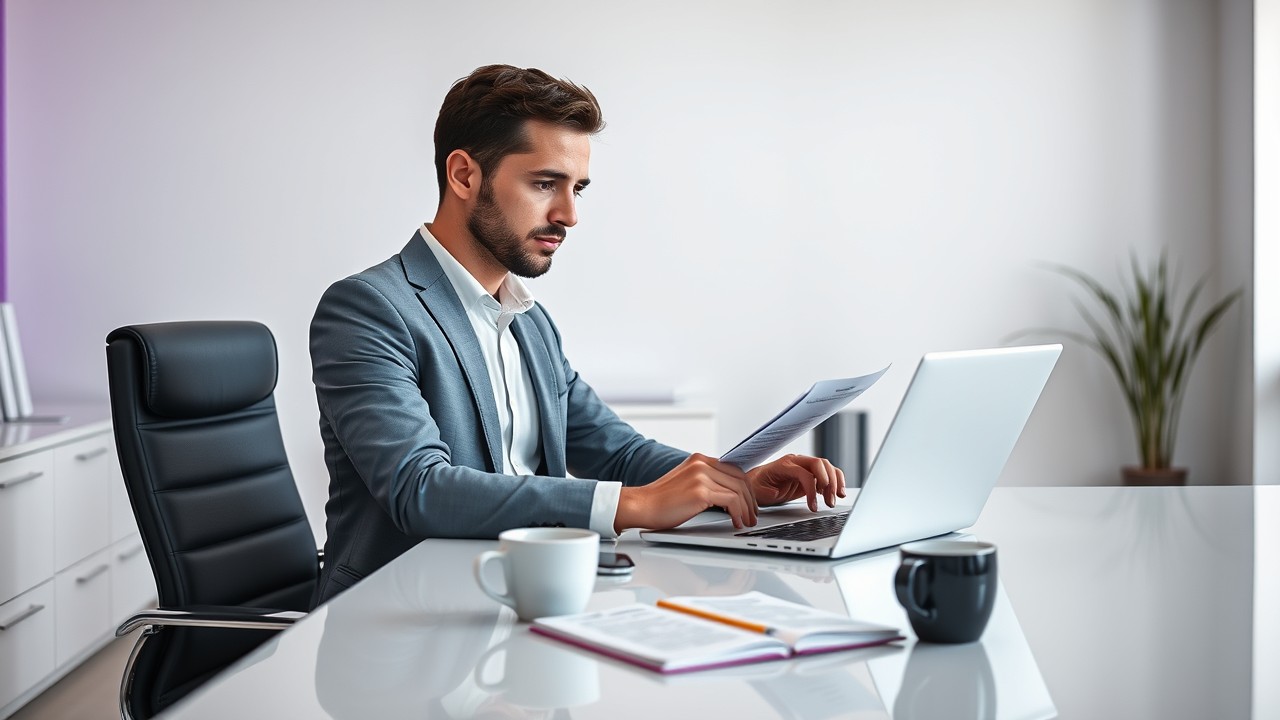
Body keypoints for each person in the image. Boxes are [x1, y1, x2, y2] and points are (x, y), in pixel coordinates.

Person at [308, 64, 845, 605]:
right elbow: (418, 489)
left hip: (525, 604)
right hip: (400, 626)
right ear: (465, 176)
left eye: (577, 189)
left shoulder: (530, 323)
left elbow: (618, 454)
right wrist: (629, 506)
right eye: (545, 183)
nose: (568, 214)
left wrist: (734, 484)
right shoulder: (369, 309)